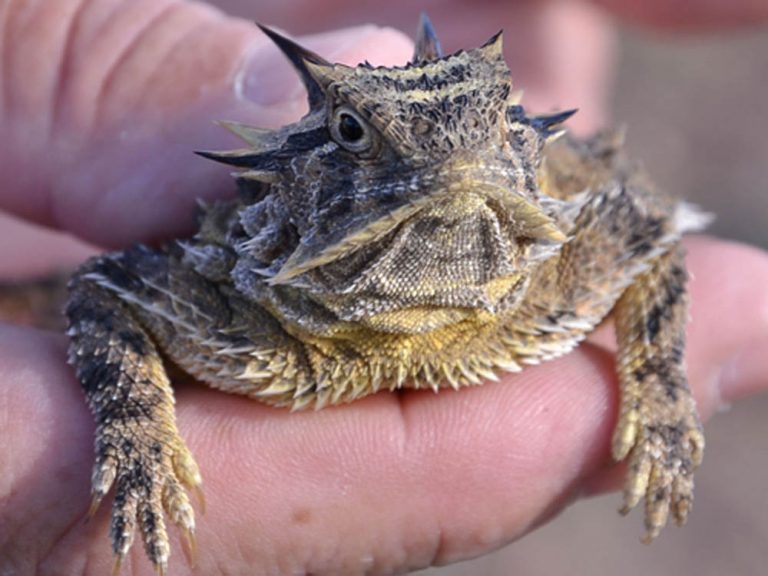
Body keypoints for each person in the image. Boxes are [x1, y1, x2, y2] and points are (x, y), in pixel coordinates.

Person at [0, 1, 767, 574]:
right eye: (358, 138)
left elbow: (646, 233)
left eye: (492, 128)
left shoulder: (560, 266)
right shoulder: (244, 313)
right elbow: (109, 289)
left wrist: (660, 388)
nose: (459, 168)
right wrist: (137, 433)